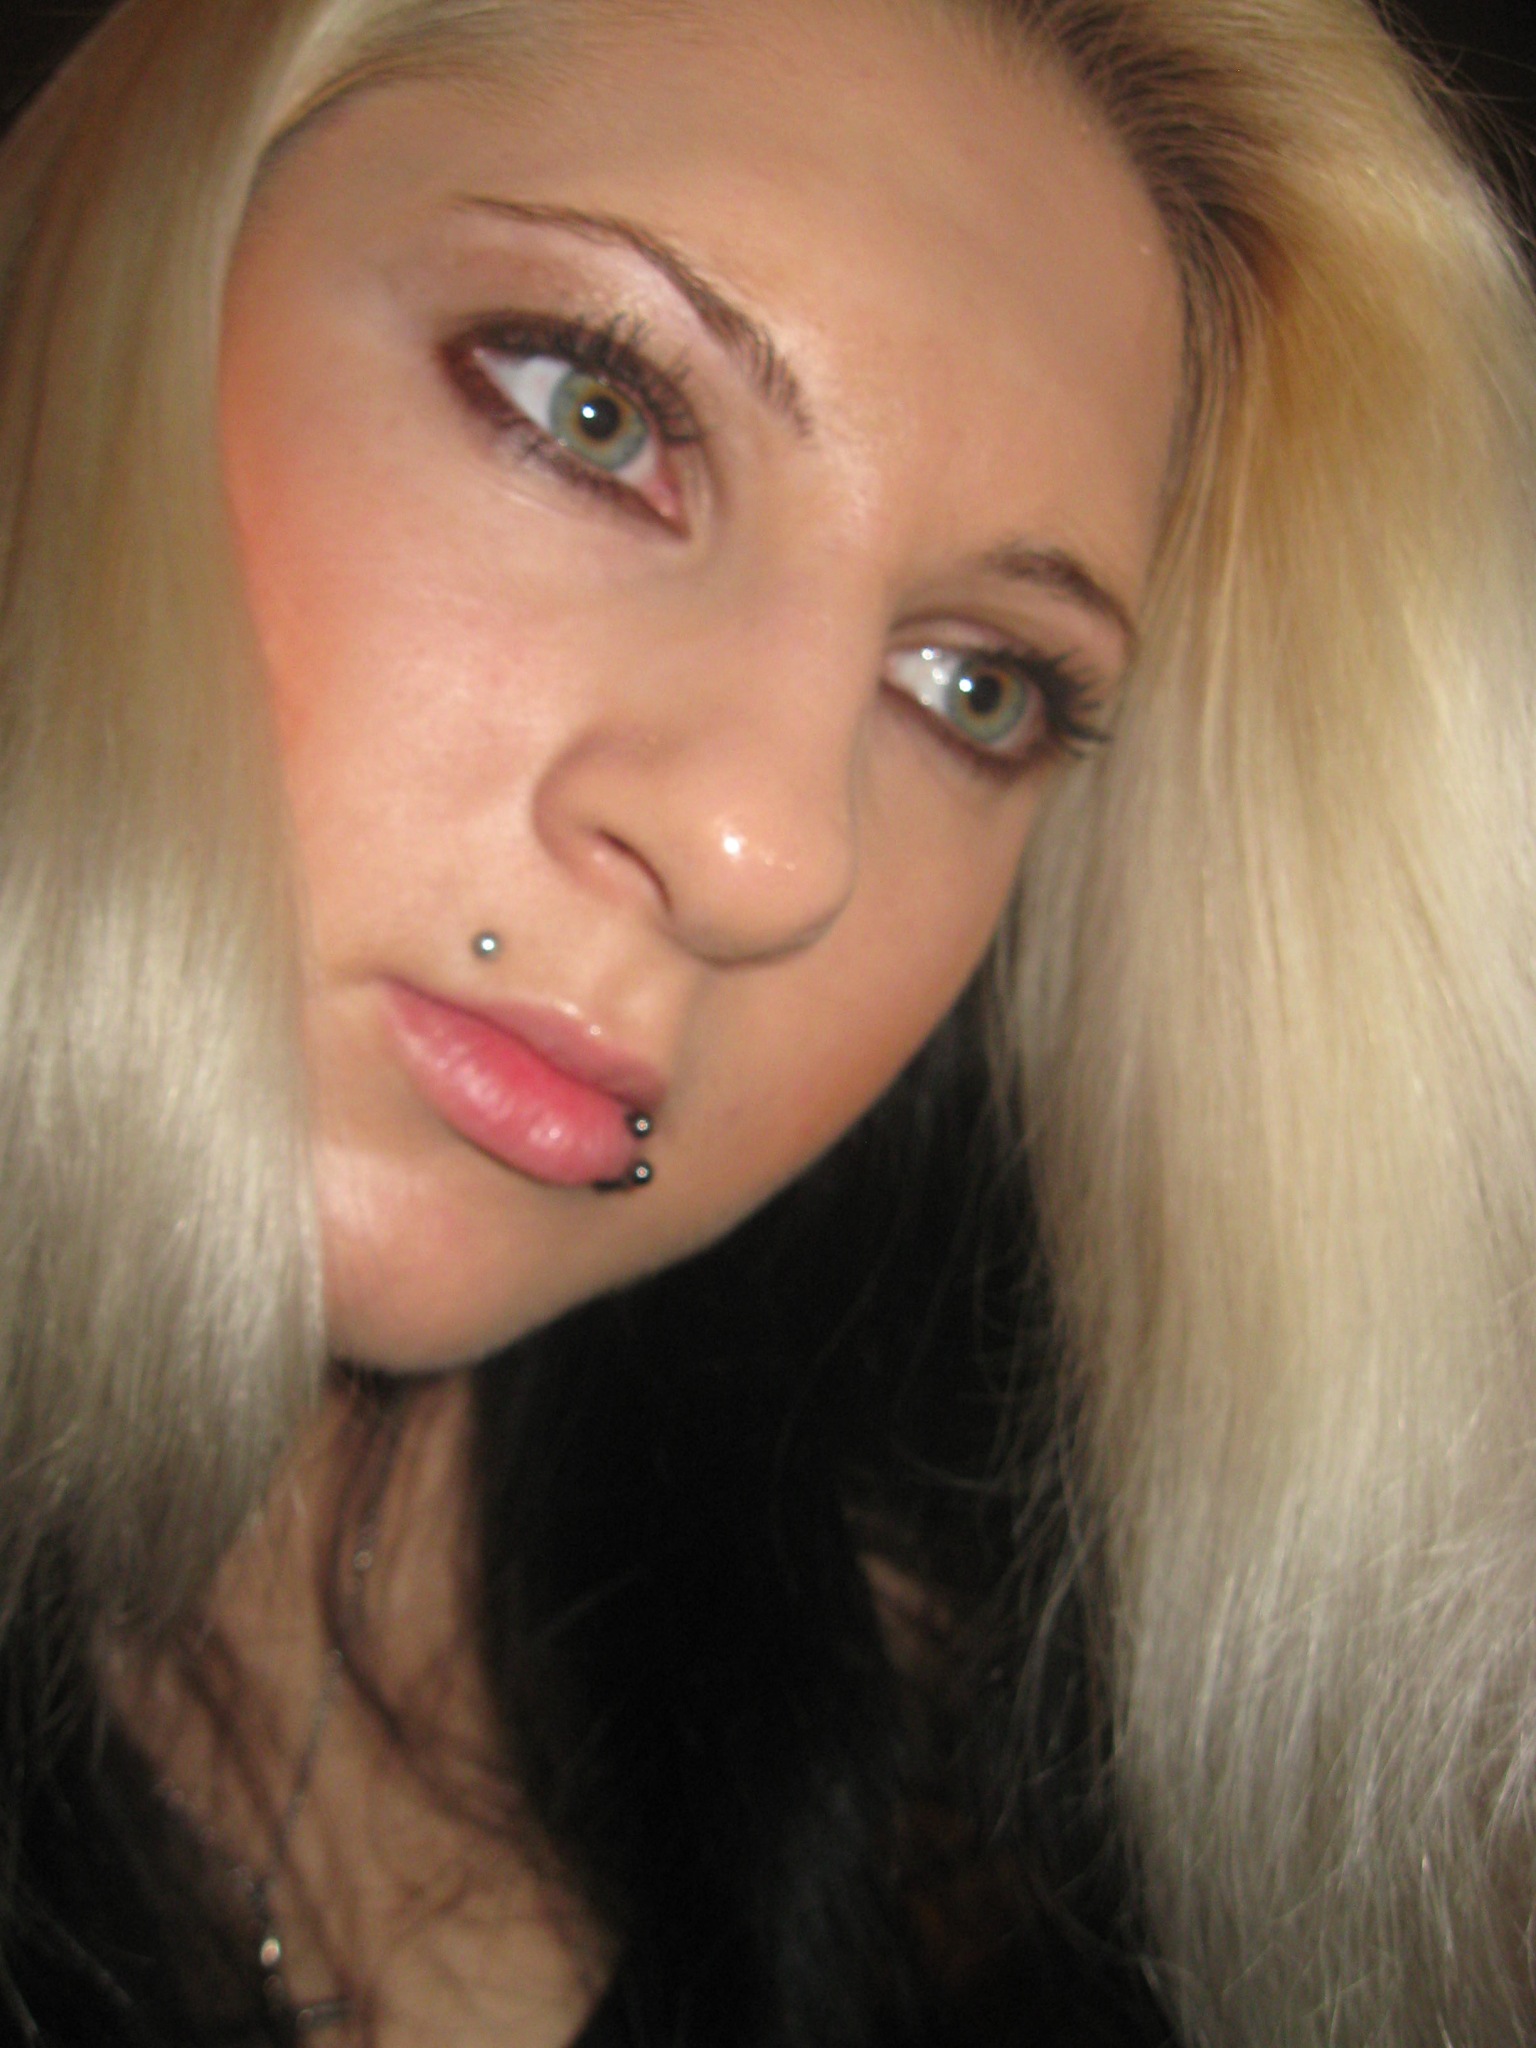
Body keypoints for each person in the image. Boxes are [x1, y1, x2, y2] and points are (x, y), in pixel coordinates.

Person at [0, 2, 1531, 2047]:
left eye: (977, 684)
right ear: (109, 271)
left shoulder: (979, 1822)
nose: (766, 853)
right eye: (594, 412)